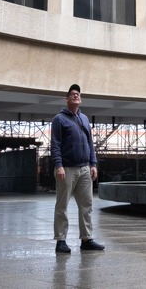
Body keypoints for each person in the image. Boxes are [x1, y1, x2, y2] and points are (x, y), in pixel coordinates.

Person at [49, 84, 104, 254]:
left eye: (78, 94)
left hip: (84, 168)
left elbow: (90, 144)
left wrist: (93, 164)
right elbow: (56, 145)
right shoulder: (59, 119)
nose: (75, 96)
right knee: (62, 206)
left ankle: (86, 239)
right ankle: (61, 241)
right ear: (67, 99)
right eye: (72, 94)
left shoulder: (85, 119)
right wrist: (59, 166)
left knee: (86, 205)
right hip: (66, 168)